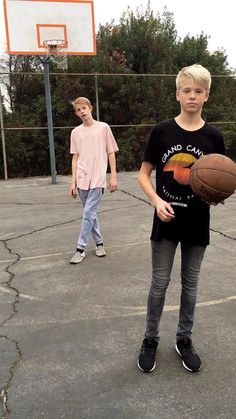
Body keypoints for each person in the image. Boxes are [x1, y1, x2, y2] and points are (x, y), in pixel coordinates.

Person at [137, 64, 225, 373]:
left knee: (191, 285)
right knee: (159, 283)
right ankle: (150, 339)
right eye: (186, 90)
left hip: (197, 223)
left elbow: (220, 180)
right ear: (177, 95)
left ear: (207, 96)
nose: (192, 96)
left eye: (198, 91)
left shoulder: (214, 136)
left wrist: (218, 193)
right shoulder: (162, 131)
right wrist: (156, 200)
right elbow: (144, 174)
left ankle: (184, 339)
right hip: (166, 219)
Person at [69, 96, 119, 264]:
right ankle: (99, 244)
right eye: (78, 110)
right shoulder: (75, 132)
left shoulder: (103, 128)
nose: (81, 111)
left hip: (98, 178)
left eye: (83, 108)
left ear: (90, 107)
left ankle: (80, 249)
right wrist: (73, 181)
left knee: (88, 213)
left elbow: (111, 152)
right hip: (82, 178)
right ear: (76, 113)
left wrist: (113, 176)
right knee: (90, 215)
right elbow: (75, 158)